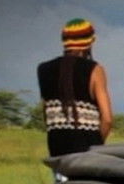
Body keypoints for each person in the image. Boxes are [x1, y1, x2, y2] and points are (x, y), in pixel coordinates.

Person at [37, 18, 112, 158]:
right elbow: (107, 119)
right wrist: (95, 146)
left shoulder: (43, 69)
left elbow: (47, 114)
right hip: (88, 151)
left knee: (62, 181)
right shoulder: (95, 69)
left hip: (57, 150)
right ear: (89, 42)